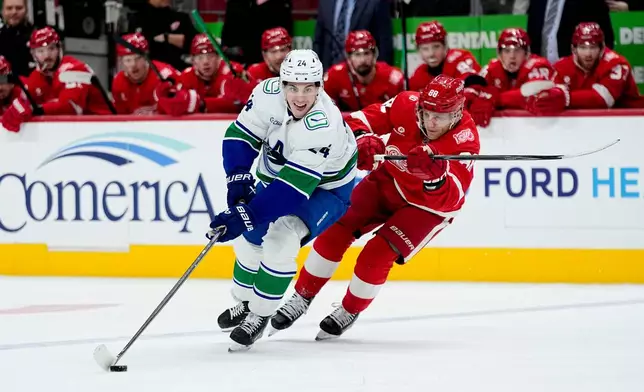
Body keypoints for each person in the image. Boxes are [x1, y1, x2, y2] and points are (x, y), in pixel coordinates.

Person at [268, 74, 480, 340]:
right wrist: (362, 139)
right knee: (335, 228)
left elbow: (453, 198)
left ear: (457, 113)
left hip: (427, 208)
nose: (431, 122)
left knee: (376, 255)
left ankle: (349, 309)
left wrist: (435, 179)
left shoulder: (464, 141)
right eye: (426, 113)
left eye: (441, 116)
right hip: (388, 181)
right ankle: (302, 296)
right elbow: (354, 122)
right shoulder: (405, 103)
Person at [206, 49, 358, 351]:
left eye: (308, 88)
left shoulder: (323, 123)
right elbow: (241, 134)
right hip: (279, 177)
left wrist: (245, 214)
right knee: (250, 236)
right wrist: (236, 178)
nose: (299, 97)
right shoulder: (266, 93)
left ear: (320, 87)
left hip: (325, 189)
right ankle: (246, 302)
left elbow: (292, 191)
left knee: (282, 237)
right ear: (281, 83)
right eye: (292, 87)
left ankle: (259, 314)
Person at [1, 27, 112, 133]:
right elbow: (26, 100)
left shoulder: (74, 68)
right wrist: (17, 108)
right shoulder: (37, 75)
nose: (47, 55)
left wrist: (34, 109)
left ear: (60, 49)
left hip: (105, 128)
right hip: (78, 131)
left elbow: (70, 107)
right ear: (33, 54)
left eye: (51, 48)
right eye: (41, 51)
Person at [528, 22, 644, 114]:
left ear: (602, 48)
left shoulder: (616, 64)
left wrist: (565, 98)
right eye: (583, 47)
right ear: (574, 49)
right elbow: (553, 95)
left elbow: (603, 100)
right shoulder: (562, 67)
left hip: (632, 121)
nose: (588, 53)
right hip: (587, 124)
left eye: (593, 47)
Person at [467, 27, 553, 127]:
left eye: (517, 50)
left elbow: (533, 94)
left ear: (526, 53)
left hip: (536, 130)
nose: (512, 56)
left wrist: (496, 99)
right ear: (500, 54)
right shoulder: (491, 70)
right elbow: (472, 92)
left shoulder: (539, 66)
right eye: (507, 51)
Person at [165, 33, 255, 116]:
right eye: (200, 57)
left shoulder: (233, 72)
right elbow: (174, 104)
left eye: (210, 56)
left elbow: (239, 104)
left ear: (218, 57)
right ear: (193, 61)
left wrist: (201, 103)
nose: (205, 62)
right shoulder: (187, 75)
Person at [323, 30, 404, 112]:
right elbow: (327, 112)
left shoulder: (393, 78)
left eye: (366, 53)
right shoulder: (334, 76)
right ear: (349, 57)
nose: (362, 60)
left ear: (374, 54)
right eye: (357, 54)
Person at [111, 32, 180, 115]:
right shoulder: (118, 82)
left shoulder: (165, 75)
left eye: (138, 58)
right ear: (121, 62)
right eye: (128, 60)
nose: (133, 65)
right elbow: (121, 120)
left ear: (146, 57)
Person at [409, 21, 481, 92]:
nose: (431, 54)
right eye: (425, 49)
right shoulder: (418, 75)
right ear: (418, 50)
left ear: (445, 46)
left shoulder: (460, 59)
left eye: (436, 47)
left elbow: (475, 86)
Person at [128, 0, 198, 71]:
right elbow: (132, 51)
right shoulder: (137, 20)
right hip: (148, 74)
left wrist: (171, 38)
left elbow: (197, 43)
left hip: (179, 74)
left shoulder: (181, 18)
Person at [0, 0, 34, 77]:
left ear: (26, 10)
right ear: (2, 11)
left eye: (19, 8)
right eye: (9, 8)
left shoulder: (37, 37)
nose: (14, 12)